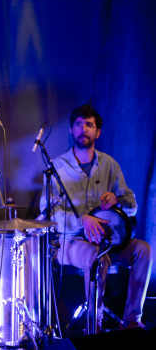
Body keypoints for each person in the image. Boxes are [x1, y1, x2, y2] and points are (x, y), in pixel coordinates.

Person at [39, 104, 152, 330]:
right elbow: (46, 214)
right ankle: (95, 325)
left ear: (98, 132)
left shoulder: (109, 164)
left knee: (143, 250)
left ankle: (132, 320)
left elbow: (132, 204)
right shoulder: (57, 167)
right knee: (97, 257)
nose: (83, 129)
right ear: (71, 130)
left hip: (106, 241)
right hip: (70, 242)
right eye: (78, 124)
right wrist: (82, 219)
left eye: (89, 124)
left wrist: (118, 201)